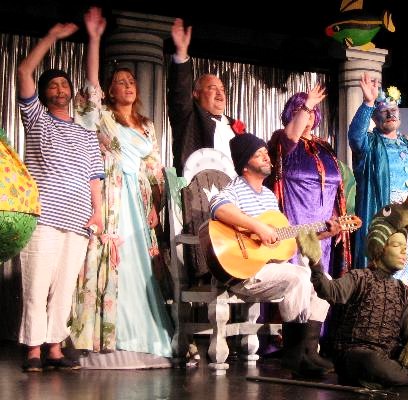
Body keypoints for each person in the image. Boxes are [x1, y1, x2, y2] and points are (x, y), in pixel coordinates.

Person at [69, 7, 173, 367]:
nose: (128, 86)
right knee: (115, 264)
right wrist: (94, 39)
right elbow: (90, 90)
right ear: (111, 91)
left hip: (140, 204)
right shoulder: (104, 118)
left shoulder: (147, 125)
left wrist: (156, 204)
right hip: (113, 198)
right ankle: (113, 334)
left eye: (132, 82)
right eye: (121, 82)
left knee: (142, 268)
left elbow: (155, 169)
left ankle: (145, 334)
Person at [16, 19, 104, 372]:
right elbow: (23, 71)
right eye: (52, 84)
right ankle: (33, 351)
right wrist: (52, 35)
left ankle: (54, 348)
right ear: (43, 93)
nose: (59, 88)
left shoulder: (85, 132)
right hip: (43, 217)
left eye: (64, 83)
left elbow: (95, 176)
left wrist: (98, 212)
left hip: (78, 219)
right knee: (37, 285)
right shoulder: (36, 119)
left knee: (64, 289)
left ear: (70, 92)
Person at [209, 132, 333, 377]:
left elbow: (281, 241)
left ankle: (308, 351)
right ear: (245, 165)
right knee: (299, 276)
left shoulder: (268, 196)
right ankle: (294, 355)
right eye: (259, 154)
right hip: (243, 273)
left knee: (324, 281)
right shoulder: (236, 188)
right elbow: (217, 207)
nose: (267, 157)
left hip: (268, 270)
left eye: (266, 152)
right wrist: (257, 226)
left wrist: (321, 234)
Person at [298, 203, 408, 388]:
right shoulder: (359, 277)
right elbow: (330, 291)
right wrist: (316, 262)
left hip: (388, 354)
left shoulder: (402, 289)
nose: (404, 251)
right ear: (380, 247)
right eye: (397, 245)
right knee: (373, 362)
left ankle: (389, 373)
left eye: (405, 246)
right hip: (356, 354)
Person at [347, 72, 408, 289]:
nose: (391, 114)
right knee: (382, 269)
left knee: (407, 271)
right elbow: (354, 137)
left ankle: (404, 306)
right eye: (384, 111)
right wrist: (368, 103)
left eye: (394, 110)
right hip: (384, 217)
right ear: (375, 118)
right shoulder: (369, 144)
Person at [266, 85, 347, 277]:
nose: (308, 113)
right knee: (296, 282)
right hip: (294, 225)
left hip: (323, 228)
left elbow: (336, 188)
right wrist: (308, 103)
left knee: (320, 283)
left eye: (312, 110)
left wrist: (338, 218)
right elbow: (291, 136)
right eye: (300, 110)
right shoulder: (282, 140)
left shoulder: (325, 147)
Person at [168, 18, 243, 172]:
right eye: (212, 88)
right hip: (199, 185)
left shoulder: (234, 125)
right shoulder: (189, 117)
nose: (219, 93)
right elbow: (180, 92)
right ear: (196, 93)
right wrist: (181, 53)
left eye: (222, 89)